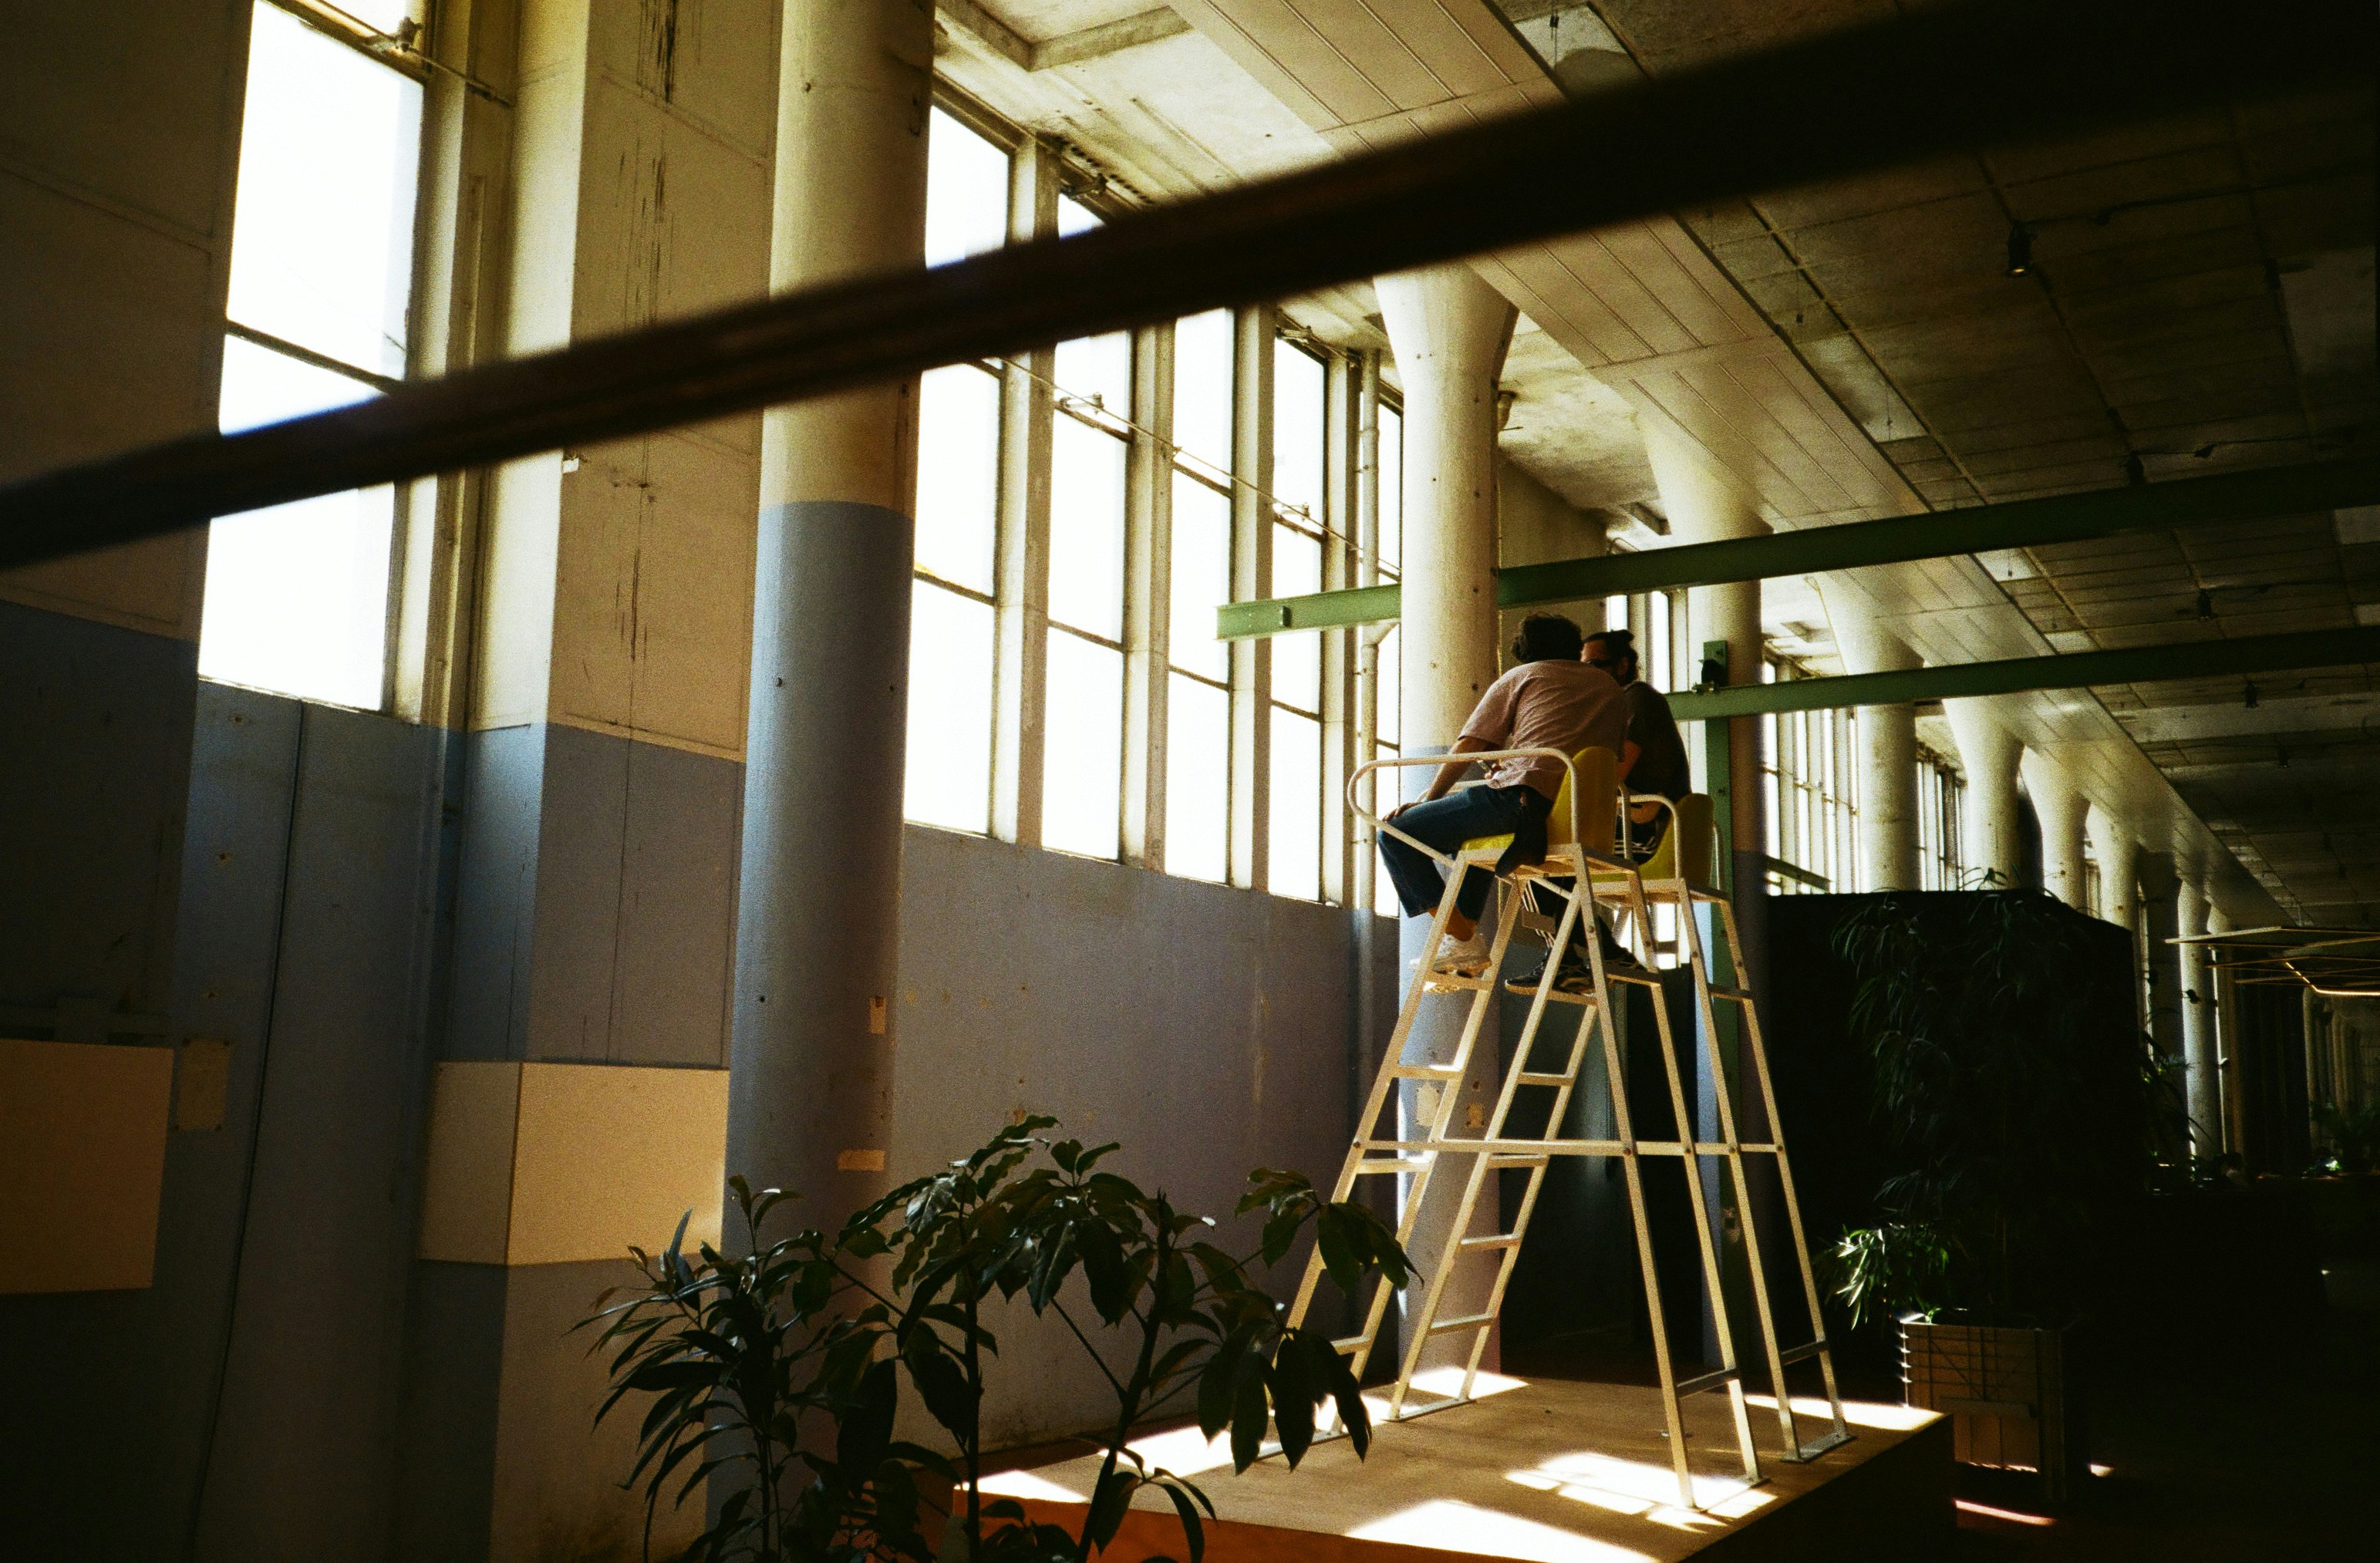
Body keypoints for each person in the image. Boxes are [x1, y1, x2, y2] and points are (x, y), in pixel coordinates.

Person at [1377, 613, 1627, 980]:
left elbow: (1472, 744)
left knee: (1396, 835)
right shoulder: (1611, 691)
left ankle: (1463, 938)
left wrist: (1429, 798)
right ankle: (1463, 943)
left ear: (1523, 650)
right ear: (1574, 649)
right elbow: (1587, 754)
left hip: (1523, 803)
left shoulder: (1524, 676)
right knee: (1469, 843)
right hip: (1580, 818)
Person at [1586, 628, 1688, 859]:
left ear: (1622, 666)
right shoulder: (1623, 704)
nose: (1585, 675)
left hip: (1648, 832)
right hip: (1644, 823)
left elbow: (1614, 773)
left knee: (1550, 848)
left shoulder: (1637, 699)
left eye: (1592, 666)